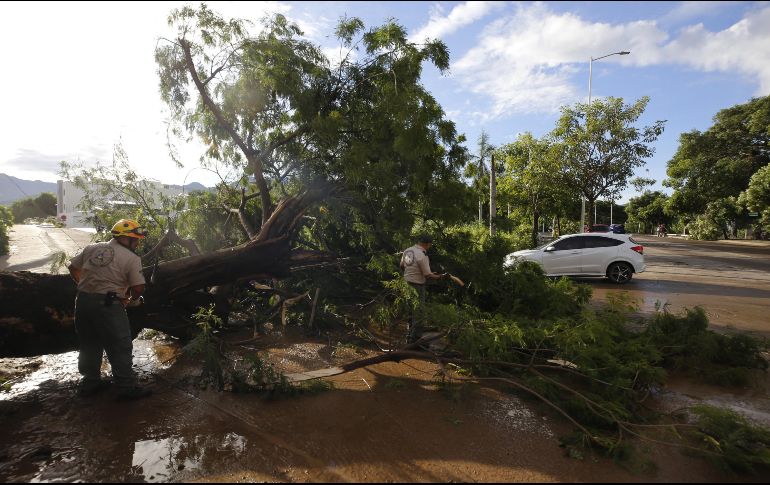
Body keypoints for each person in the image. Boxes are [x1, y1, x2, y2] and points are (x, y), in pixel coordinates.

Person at [67, 219, 151, 400]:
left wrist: (86, 285)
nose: (137, 243)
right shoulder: (132, 258)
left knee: (89, 343)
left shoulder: (92, 248)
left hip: (82, 302)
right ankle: (125, 388)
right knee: (120, 345)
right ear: (126, 238)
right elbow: (138, 288)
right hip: (109, 305)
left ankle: (90, 383)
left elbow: (72, 267)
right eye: (135, 239)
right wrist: (132, 301)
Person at [400, 234, 446, 343]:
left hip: (407, 284)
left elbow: (402, 265)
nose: (429, 246)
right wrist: (441, 277)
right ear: (427, 244)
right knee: (419, 313)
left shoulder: (408, 250)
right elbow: (428, 275)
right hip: (417, 286)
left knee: (410, 312)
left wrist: (411, 273)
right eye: (429, 245)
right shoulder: (422, 255)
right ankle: (415, 340)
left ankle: (409, 337)